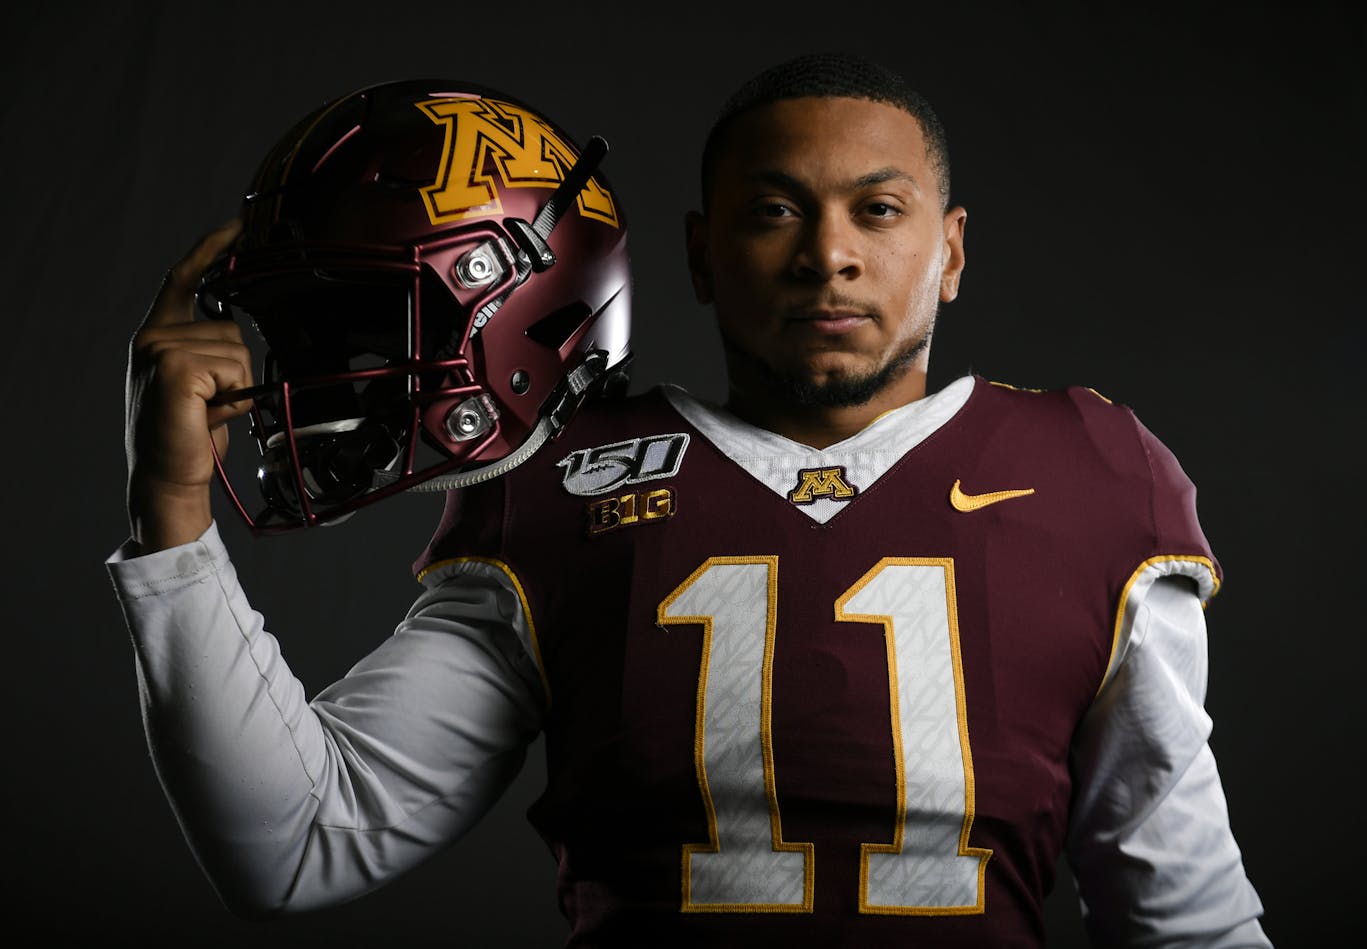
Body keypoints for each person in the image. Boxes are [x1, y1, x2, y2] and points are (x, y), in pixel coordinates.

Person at [109, 53, 1272, 947]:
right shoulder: (555, 487)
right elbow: (295, 842)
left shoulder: (1089, 468)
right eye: (774, 212)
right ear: (701, 254)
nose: (828, 255)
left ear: (950, 250)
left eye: (877, 209)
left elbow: (1182, 915)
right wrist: (174, 512)